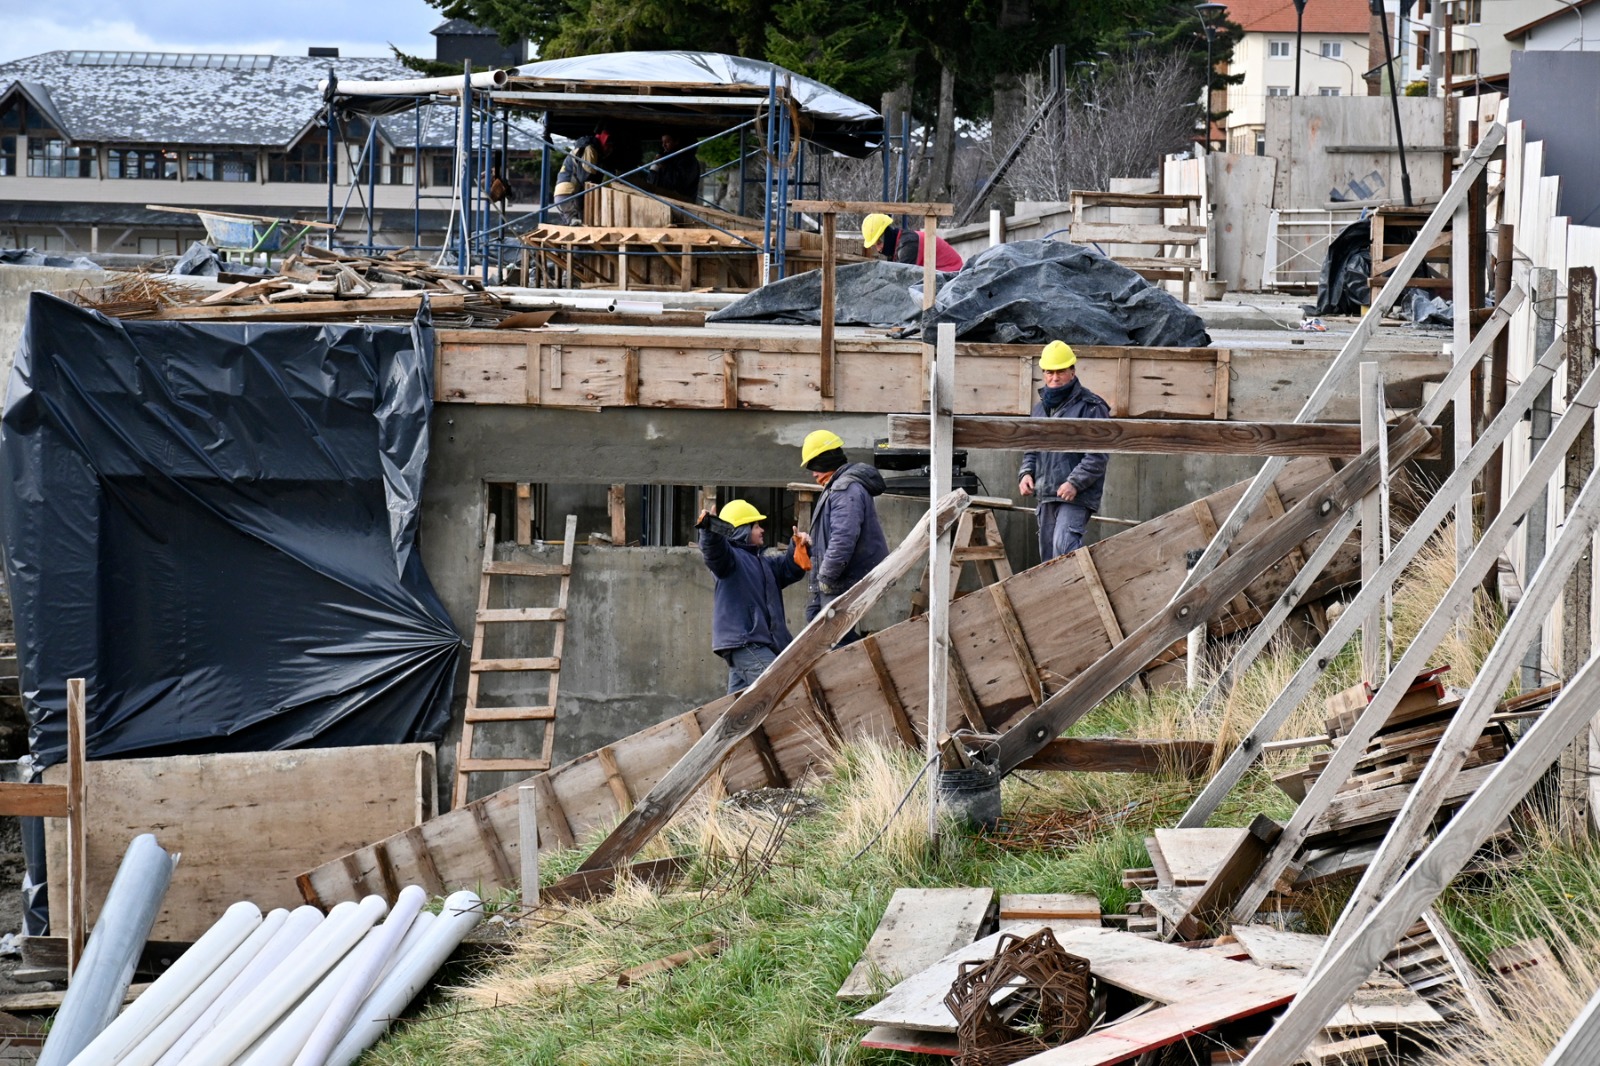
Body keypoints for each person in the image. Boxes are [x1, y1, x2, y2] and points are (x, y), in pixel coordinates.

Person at [698, 499, 806, 693]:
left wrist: (797, 547)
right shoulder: (730, 560)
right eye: (756, 526)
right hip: (746, 642)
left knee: (741, 713)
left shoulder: (763, 563)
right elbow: (713, 551)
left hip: (753, 643)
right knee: (782, 689)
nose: (761, 530)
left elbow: (787, 569)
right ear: (742, 530)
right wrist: (710, 529)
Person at [1017, 341, 1110, 561]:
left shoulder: (1092, 407)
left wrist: (1075, 483)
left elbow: (1098, 454)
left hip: (1076, 495)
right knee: (1048, 557)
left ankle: (1077, 595)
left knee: (1064, 546)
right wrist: (1026, 473)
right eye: (1049, 372)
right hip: (1046, 493)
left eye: (1060, 372)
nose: (1054, 378)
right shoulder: (1040, 409)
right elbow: (1032, 448)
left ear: (1072, 371)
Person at [800, 430, 889, 641]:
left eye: (815, 466)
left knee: (832, 635)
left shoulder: (844, 489)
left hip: (841, 579)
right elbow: (838, 534)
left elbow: (843, 538)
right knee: (816, 620)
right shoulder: (839, 488)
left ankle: (859, 670)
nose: (813, 474)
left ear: (826, 461)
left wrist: (827, 576)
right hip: (838, 577)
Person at [551, 125, 614, 224]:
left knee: (574, 226)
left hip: (563, 194)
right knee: (578, 226)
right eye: (608, 145)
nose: (610, 149)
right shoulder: (590, 149)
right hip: (570, 194)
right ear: (604, 142)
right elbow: (586, 178)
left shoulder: (587, 147)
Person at [861, 212, 964, 272]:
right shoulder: (901, 242)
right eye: (875, 246)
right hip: (942, 277)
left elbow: (902, 282)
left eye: (879, 243)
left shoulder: (908, 246)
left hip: (951, 278)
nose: (879, 250)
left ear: (887, 236)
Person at [647, 131, 701, 203]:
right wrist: (655, 165)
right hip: (661, 200)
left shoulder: (689, 161)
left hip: (681, 203)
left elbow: (678, 183)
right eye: (663, 142)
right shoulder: (665, 158)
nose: (664, 145)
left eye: (667, 142)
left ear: (676, 142)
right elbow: (651, 181)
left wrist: (664, 166)